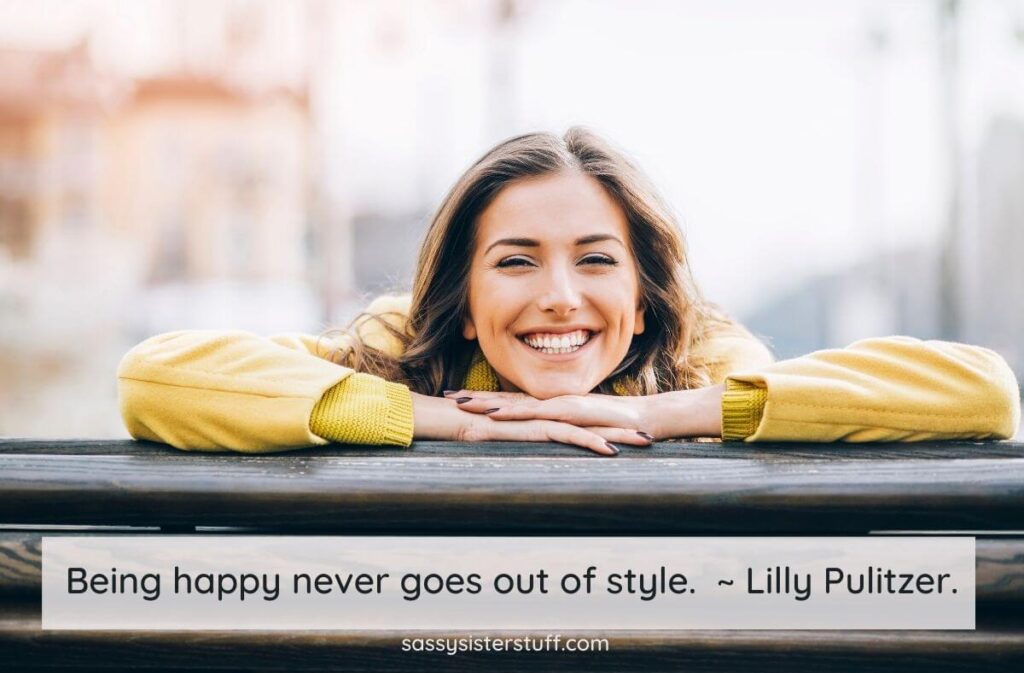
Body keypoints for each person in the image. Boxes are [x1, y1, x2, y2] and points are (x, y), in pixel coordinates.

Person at [117, 128, 1020, 454]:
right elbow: (153, 378)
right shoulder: (402, 348)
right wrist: (444, 419)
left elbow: (982, 390)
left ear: (641, 295)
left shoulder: (700, 362)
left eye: (595, 260)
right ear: (463, 297)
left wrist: (660, 417)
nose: (559, 295)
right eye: (515, 260)